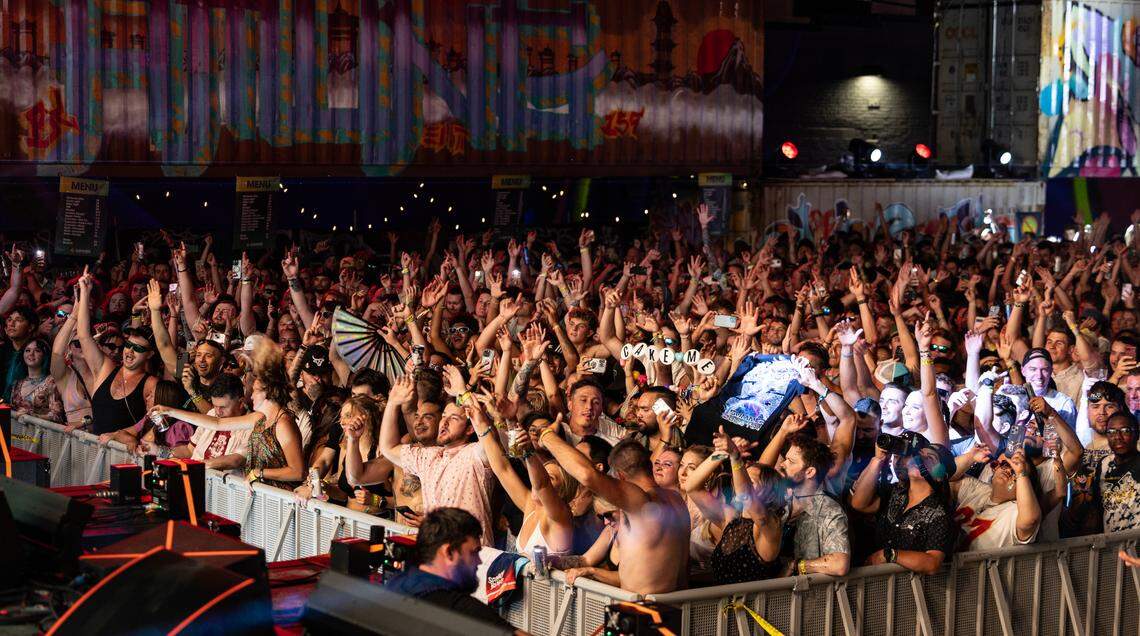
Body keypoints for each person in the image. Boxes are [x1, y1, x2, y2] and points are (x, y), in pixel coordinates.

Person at [539, 428, 689, 594]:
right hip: (674, 608)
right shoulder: (676, 499)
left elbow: (587, 476)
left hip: (643, 612)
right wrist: (556, 561)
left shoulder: (641, 501)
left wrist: (547, 436)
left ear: (620, 477)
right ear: (649, 465)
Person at [151, 338, 305, 489]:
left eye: (256, 391)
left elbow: (297, 472)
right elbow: (216, 424)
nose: (250, 396)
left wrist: (259, 473)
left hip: (278, 494)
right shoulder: (260, 418)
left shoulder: (284, 422)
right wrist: (170, 411)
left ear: (268, 393)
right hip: (257, 489)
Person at [373, 376, 496, 545]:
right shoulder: (428, 456)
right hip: (436, 554)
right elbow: (388, 447)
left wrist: (463, 392)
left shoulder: (476, 454)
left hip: (472, 558)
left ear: (469, 428)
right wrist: (393, 403)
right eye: (444, 416)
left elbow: (490, 439)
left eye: (453, 419)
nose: (444, 422)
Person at [384, 507, 513, 630]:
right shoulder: (463, 610)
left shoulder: (393, 585)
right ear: (449, 552)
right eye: (473, 553)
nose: (479, 561)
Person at [76, 268, 159, 434]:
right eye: (128, 345)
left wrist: (119, 436)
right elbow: (84, 336)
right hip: (93, 451)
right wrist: (85, 293)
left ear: (150, 354)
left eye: (138, 349)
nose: (129, 351)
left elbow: (153, 422)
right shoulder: (106, 368)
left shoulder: (151, 383)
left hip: (123, 455)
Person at [171, 373, 250, 471]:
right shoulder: (212, 413)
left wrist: (198, 465)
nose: (218, 412)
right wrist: (160, 451)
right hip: (196, 475)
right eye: (215, 406)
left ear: (241, 402)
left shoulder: (251, 423)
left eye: (223, 407)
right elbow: (189, 450)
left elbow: (236, 460)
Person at [1096, 412, 1140, 534]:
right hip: (1110, 545)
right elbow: (1097, 507)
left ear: (1137, 434)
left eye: (1125, 431)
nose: (1118, 437)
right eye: (1111, 432)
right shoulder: (1104, 464)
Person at [9, 338, 64, 423]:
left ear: (44, 355)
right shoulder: (17, 383)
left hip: (42, 434)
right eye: (27, 350)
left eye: (37, 351)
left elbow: (57, 415)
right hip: (17, 433)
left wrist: (32, 417)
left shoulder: (50, 381)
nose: (31, 354)